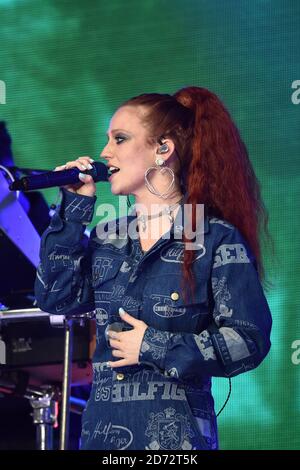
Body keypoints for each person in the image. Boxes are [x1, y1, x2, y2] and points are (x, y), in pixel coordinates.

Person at [35, 86, 272, 450]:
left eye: (120, 138)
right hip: (102, 439)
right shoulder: (106, 237)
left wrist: (154, 345)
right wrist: (71, 212)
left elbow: (249, 340)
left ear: (163, 149)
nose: (104, 153)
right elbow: (55, 298)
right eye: (107, 140)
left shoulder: (213, 237)